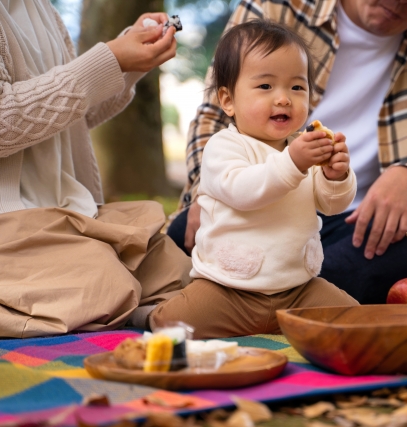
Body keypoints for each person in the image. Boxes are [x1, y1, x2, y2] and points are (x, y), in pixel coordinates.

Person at [168, 0, 407, 304]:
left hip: (358, 221)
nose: (402, 1)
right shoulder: (277, 6)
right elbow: (213, 117)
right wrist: (207, 189)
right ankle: (284, 297)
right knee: (188, 231)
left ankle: (263, 296)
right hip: (252, 204)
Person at [0, 0, 192, 338]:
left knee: (176, 271)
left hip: (61, 212)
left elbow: (70, 116)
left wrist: (128, 60)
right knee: (105, 284)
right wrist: (110, 59)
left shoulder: (41, 8)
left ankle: (118, 306)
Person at [150, 20, 359, 339]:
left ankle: (286, 323)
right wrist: (293, 163)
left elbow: (332, 206)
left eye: (297, 87)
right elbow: (244, 191)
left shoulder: (302, 148)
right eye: (265, 86)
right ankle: (148, 313)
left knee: (355, 318)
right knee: (174, 325)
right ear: (228, 100)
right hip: (230, 289)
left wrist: (336, 175)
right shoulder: (224, 146)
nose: (284, 99)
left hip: (298, 290)